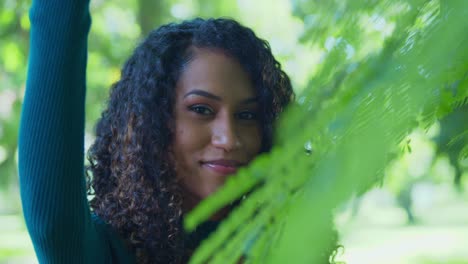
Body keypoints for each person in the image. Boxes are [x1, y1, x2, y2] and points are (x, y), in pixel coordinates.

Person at [19, 0, 293, 263]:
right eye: (201, 109)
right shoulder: (108, 251)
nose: (229, 138)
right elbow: (52, 220)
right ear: (150, 121)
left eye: (247, 115)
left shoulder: (288, 240)